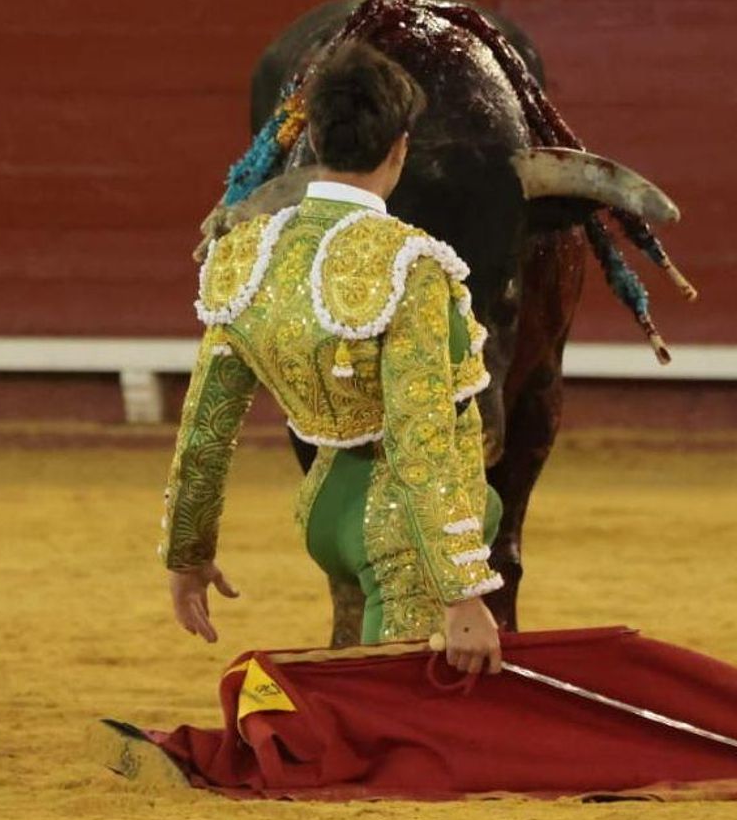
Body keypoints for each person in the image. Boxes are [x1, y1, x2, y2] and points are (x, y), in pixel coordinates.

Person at [160, 42, 505, 675]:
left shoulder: (245, 252)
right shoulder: (411, 265)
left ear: (313, 138)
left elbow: (206, 428)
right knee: (391, 720)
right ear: (400, 147)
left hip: (325, 507)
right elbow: (419, 442)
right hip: (401, 535)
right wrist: (463, 594)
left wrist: (188, 553)